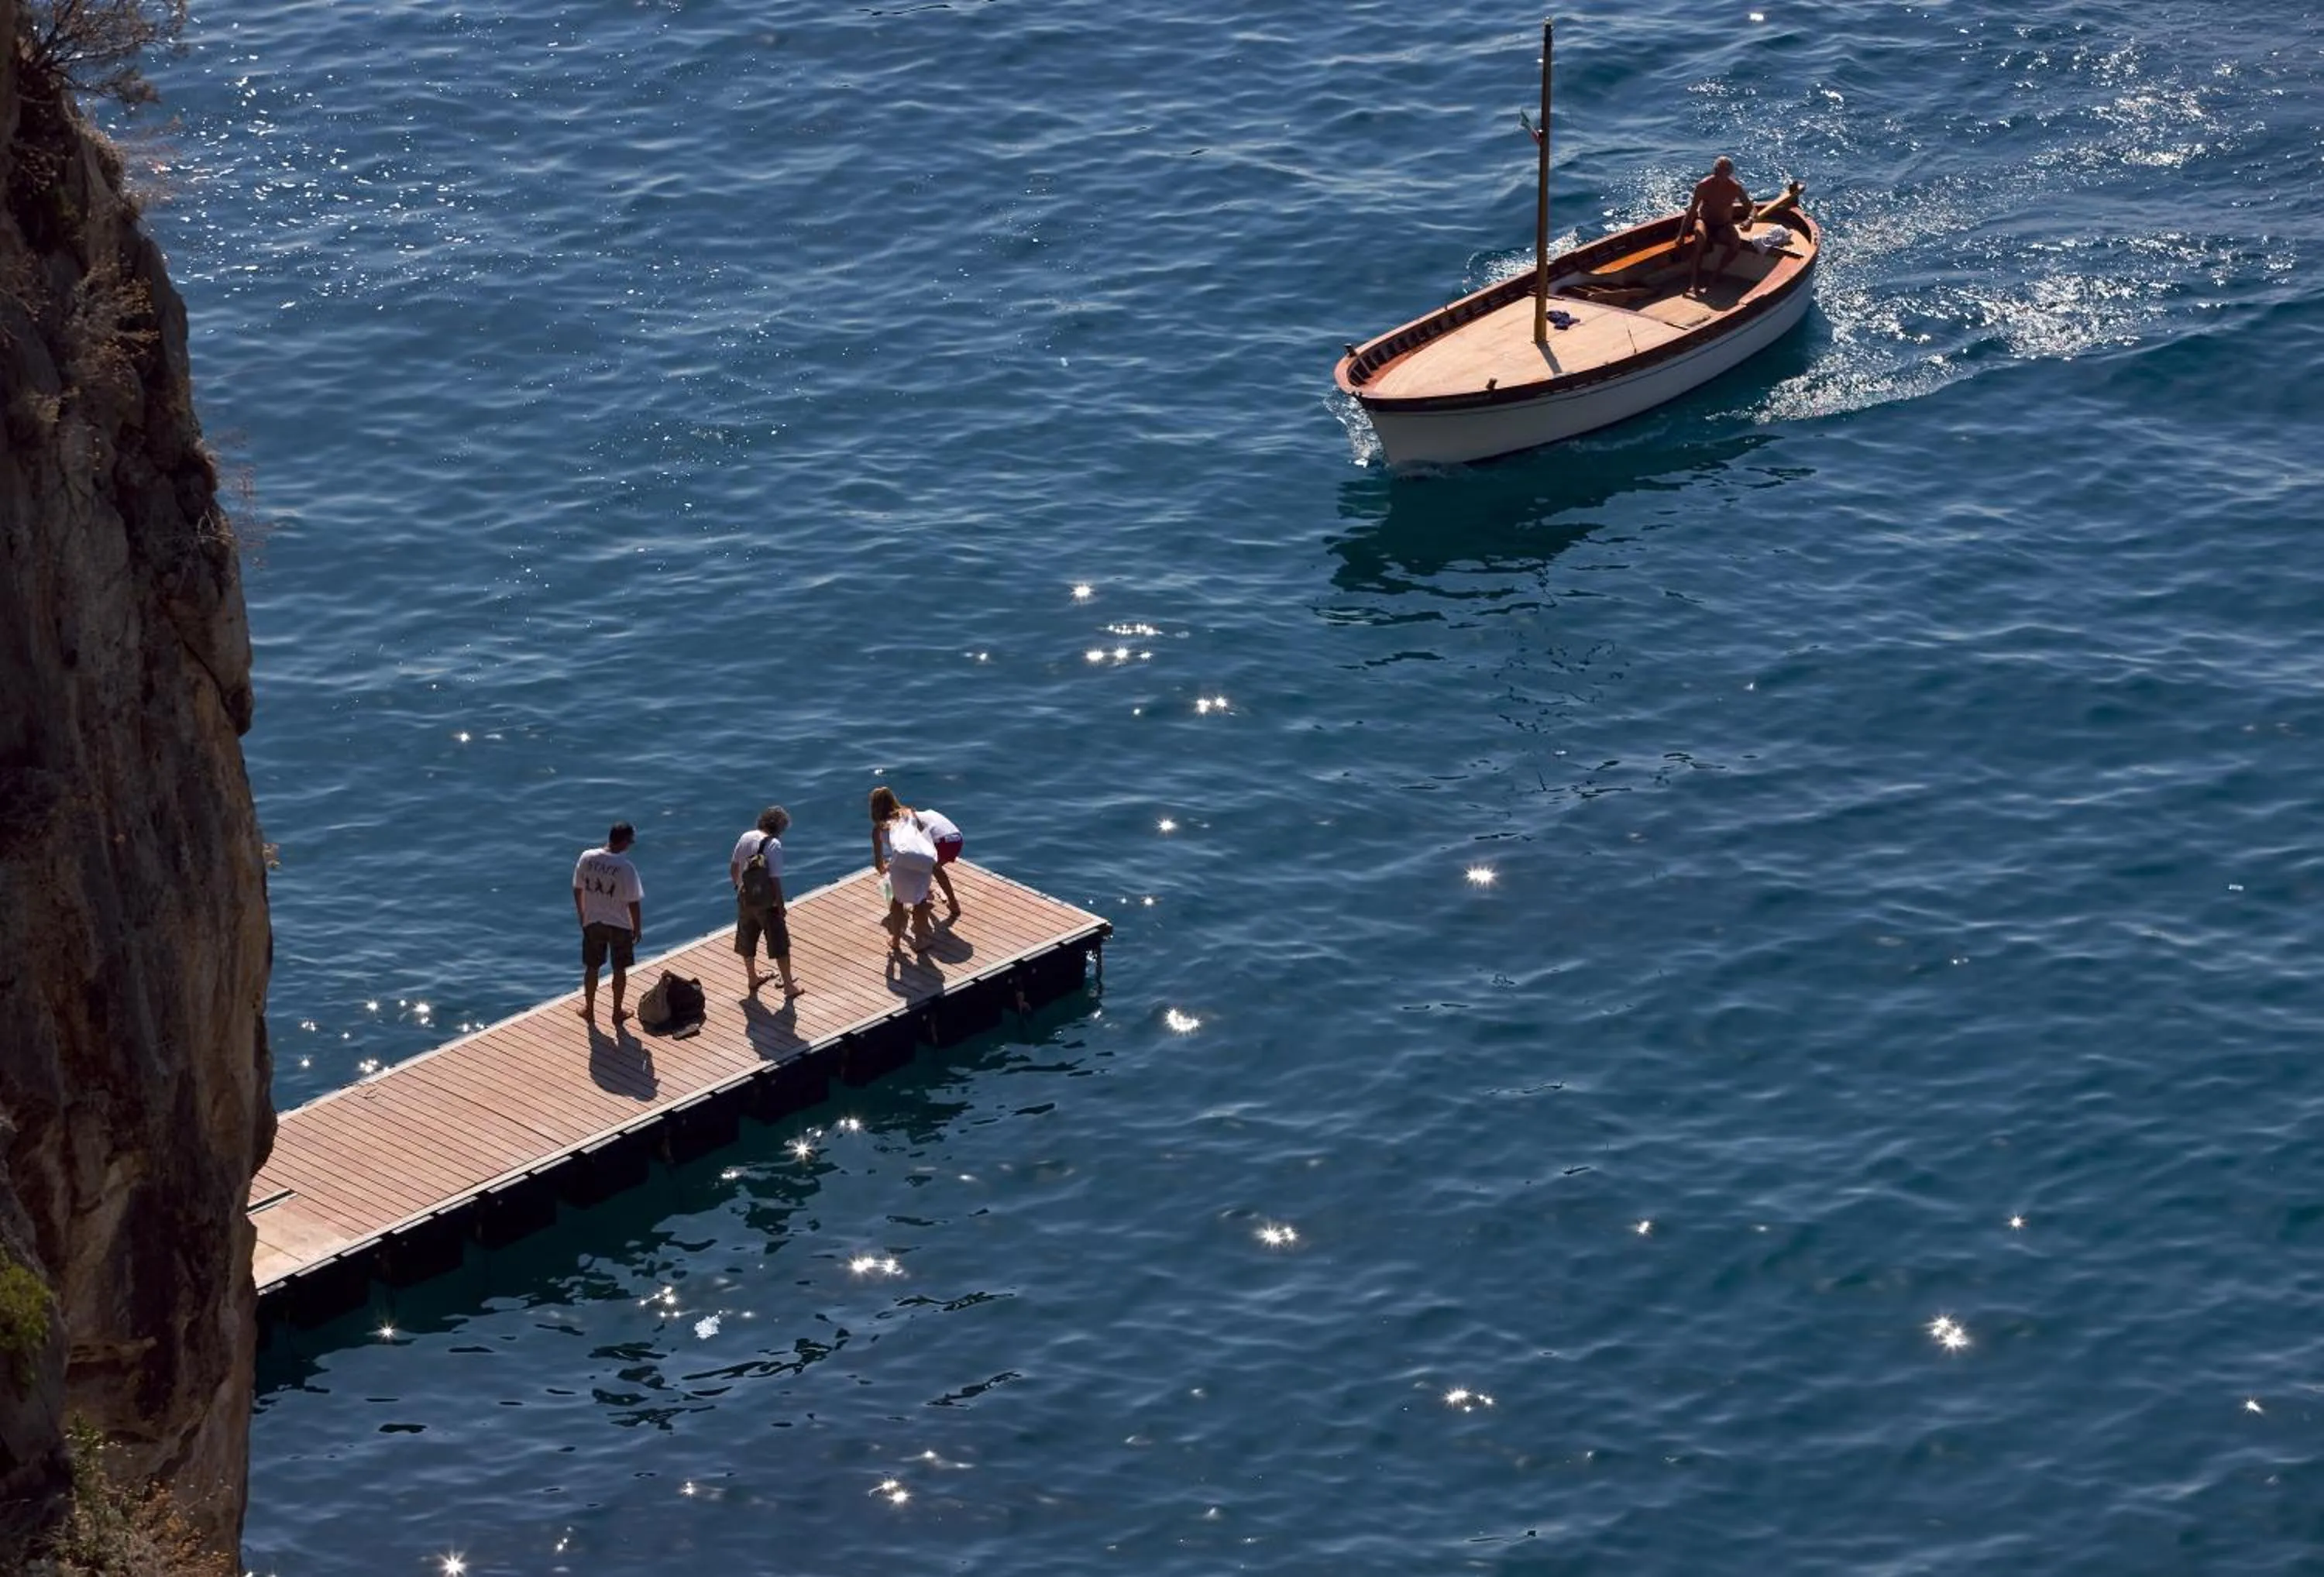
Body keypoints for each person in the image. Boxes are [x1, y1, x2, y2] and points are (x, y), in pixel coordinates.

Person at [572, 822, 643, 1027]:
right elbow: (633, 903)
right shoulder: (626, 868)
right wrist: (637, 928)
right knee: (619, 969)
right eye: (630, 841)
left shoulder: (587, 858)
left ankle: (589, 1010)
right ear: (623, 842)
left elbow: (577, 888)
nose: (631, 845)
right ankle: (616, 1012)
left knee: (592, 967)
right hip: (619, 925)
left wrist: (582, 914)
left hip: (593, 921)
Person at [730, 805, 803, 999]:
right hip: (767, 904)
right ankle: (788, 986)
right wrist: (780, 905)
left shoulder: (746, 836)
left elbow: (734, 866)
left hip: (745, 897)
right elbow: (774, 880)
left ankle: (752, 978)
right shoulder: (773, 845)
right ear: (779, 828)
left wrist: (738, 889)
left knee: (747, 938)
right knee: (779, 943)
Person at [868, 786, 940, 955]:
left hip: (900, 865)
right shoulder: (909, 813)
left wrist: (885, 868)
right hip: (920, 863)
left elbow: (879, 863)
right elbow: (924, 835)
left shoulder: (878, 829)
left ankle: (896, 940)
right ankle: (921, 940)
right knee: (920, 901)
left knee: (898, 902)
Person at [1680, 156, 1752, 296]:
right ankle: (1693, 284)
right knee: (1700, 236)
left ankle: (1716, 275)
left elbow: (1751, 209)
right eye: (1717, 170)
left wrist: (1750, 220)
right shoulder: (1703, 185)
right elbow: (1692, 210)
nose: (1719, 174)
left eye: (1724, 171)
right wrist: (1681, 235)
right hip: (1704, 221)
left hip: (1723, 225)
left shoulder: (1735, 188)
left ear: (1730, 172)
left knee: (1735, 243)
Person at [915, 806, 965, 923]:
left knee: (932, 867)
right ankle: (928, 892)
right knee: (930, 865)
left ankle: (953, 903)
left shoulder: (911, 823)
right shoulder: (927, 813)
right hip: (957, 838)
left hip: (945, 842)